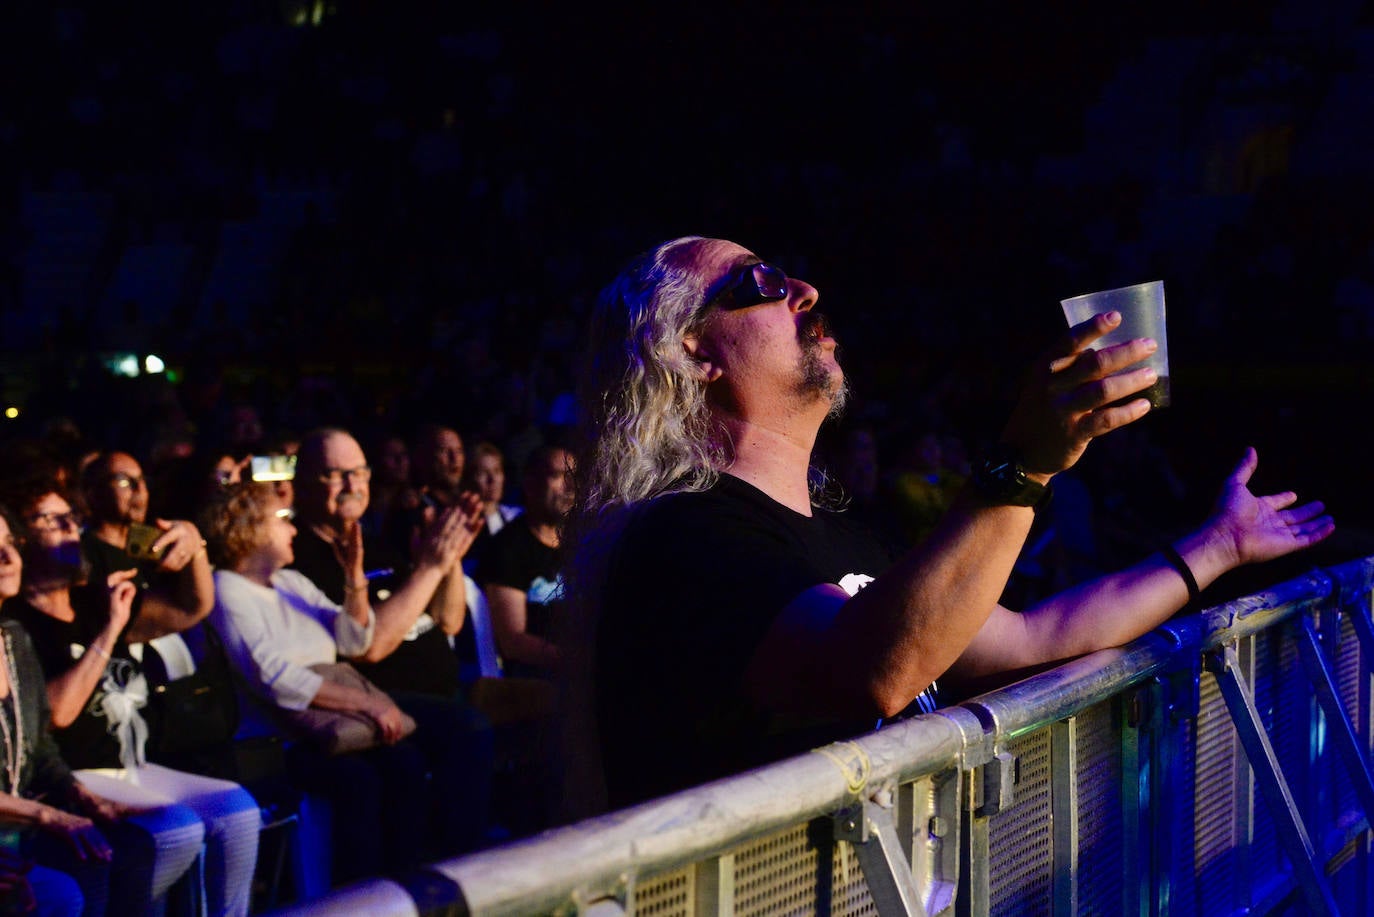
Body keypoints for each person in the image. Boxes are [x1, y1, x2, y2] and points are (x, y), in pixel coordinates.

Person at [570, 236, 1335, 809]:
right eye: (759, 282)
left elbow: (1033, 640)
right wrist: (1024, 466)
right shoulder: (684, 538)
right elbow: (874, 670)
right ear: (693, 350)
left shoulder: (843, 534)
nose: (802, 289)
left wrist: (1216, 545)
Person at [0, 475, 261, 917]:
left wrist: (195, 545)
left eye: (72, 517)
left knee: (236, 810)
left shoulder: (19, 634)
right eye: (52, 520)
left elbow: (190, 608)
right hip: (77, 771)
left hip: (121, 765)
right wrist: (111, 629)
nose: (70, 528)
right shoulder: (31, 622)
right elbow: (56, 718)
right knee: (159, 838)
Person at [202, 481, 488, 881]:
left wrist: (355, 577)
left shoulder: (290, 584)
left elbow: (353, 640)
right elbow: (275, 679)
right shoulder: (225, 589)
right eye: (282, 521)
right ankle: (356, 897)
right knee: (360, 782)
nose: (293, 530)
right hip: (280, 738)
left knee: (406, 762)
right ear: (249, 529)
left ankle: (407, 889)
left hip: (334, 727)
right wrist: (369, 704)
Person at [0, 507, 158, 917]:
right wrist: (50, 815)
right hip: (14, 825)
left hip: (20, 824)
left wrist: (81, 797)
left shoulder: (14, 638)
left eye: (8, 545)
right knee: (70, 883)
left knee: (129, 849)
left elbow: (40, 746)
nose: (7, 559)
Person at [483, 445, 574, 677]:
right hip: (539, 676)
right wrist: (579, 662)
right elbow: (513, 641)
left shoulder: (582, 542)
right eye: (557, 476)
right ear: (530, 484)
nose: (570, 487)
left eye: (573, 477)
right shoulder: (508, 547)